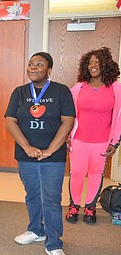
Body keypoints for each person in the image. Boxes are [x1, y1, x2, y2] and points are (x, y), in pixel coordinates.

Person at [5, 52, 75, 255]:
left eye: (39, 64)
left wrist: (50, 150)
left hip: (53, 157)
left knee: (51, 198)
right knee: (33, 195)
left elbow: (68, 121)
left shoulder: (61, 91)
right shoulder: (19, 92)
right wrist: (27, 147)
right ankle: (36, 230)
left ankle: (54, 242)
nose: (33, 68)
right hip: (26, 155)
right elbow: (10, 121)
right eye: (30, 64)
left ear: (49, 70)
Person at [66, 47, 121, 224]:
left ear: (106, 65)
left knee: (96, 174)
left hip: (102, 141)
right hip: (79, 139)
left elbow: (120, 117)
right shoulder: (78, 87)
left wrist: (115, 142)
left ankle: (90, 207)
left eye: (97, 62)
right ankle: (74, 205)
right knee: (77, 173)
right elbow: (69, 114)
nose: (93, 66)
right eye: (90, 62)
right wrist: (67, 136)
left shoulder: (116, 89)